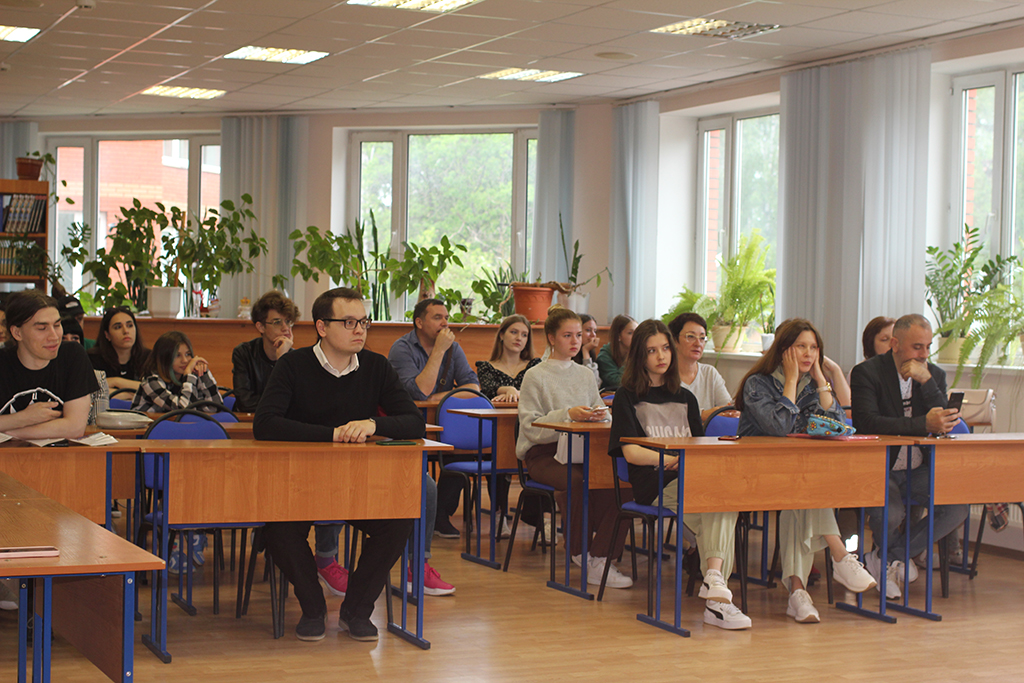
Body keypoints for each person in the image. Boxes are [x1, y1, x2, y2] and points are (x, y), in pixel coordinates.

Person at [253, 287, 425, 642]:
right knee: (278, 528)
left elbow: (414, 422)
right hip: (299, 482)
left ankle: (356, 611)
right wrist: (331, 434)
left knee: (398, 520)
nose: (359, 330)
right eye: (348, 322)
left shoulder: (376, 367)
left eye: (363, 321)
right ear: (322, 327)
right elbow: (265, 423)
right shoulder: (293, 365)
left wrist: (373, 424)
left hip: (358, 483)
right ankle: (313, 607)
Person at [610, 319, 752, 629]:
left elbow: (699, 447)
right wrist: (672, 460)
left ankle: (714, 586)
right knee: (721, 503)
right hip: (655, 484)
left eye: (665, 348)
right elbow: (631, 453)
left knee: (721, 502)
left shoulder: (686, 398)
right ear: (639, 355)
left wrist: (688, 462)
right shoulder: (627, 397)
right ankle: (717, 599)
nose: (661, 356)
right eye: (652, 350)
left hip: (692, 480)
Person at [736, 318, 877, 623]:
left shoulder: (812, 385)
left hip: (796, 478)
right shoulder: (757, 384)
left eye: (814, 348)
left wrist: (822, 379)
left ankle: (798, 592)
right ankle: (839, 555)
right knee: (805, 490)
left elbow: (838, 425)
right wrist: (790, 381)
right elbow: (779, 427)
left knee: (799, 498)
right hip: (753, 475)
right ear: (784, 350)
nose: (809, 353)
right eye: (801, 346)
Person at [850, 313, 968, 599]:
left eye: (928, 347)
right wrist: (921, 424)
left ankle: (888, 558)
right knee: (892, 513)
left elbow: (944, 421)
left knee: (956, 507)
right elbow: (868, 422)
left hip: (917, 468)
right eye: (917, 347)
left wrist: (927, 382)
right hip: (881, 467)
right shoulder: (867, 373)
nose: (924, 354)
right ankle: (890, 562)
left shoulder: (933, 375)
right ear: (895, 344)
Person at [516, 307, 633, 589]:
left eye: (578, 335)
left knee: (622, 485)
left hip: (583, 450)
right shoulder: (535, 375)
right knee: (578, 481)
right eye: (567, 335)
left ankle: (600, 557)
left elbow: (600, 410)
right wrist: (568, 414)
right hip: (544, 453)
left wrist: (600, 415)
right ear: (551, 338)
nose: (575, 341)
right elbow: (530, 426)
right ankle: (580, 553)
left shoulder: (584, 374)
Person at [389, 298, 479, 538]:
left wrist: (440, 396)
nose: (445, 323)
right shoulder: (402, 348)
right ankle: (412, 515)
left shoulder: (454, 348)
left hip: (443, 422)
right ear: (419, 322)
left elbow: (473, 388)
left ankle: (440, 515)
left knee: (463, 448)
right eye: (437, 317)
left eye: (446, 318)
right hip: (409, 423)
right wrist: (439, 350)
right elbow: (418, 392)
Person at [0, 289, 97, 440]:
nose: (54, 336)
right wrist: (23, 418)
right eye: (42, 328)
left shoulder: (72, 355)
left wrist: (9, 433)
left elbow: (75, 427)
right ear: (17, 333)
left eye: (57, 325)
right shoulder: (3, 362)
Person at [231, 291, 299, 413]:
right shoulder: (244, 353)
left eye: (288, 322)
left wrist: (283, 359)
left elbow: (298, 403)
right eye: (277, 322)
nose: (285, 328)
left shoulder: (296, 358)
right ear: (261, 327)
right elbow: (245, 402)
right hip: (249, 421)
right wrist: (280, 403)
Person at [130, 331, 223, 412]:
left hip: (174, 424)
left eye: (188, 354)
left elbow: (216, 407)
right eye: (177, 355)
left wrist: (203, 372)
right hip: (147, 426)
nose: (185, 360)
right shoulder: (151, 381)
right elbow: (183, 409)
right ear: (164, 358)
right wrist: (189, 376)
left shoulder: (191, 374)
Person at [667, 312, 732, 420]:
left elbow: (728, 409)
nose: (698, 344)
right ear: (674, 340)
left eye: (702, 338)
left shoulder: (709, 373)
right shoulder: (663, 375)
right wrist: (703, 415)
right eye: (691, 336)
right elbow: (668, 415)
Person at [476, 314, 541, 403]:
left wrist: (515, 393)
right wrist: (509, 389)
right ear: (501, 335)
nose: (519, 338)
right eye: (514, 332)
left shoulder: (535, 366)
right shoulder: (486, 367)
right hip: (496, 412)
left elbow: (540, 392)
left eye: (524, 335)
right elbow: (489, 389)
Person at [88, 307, 149, 393]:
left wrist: (115, 381)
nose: (126, 331)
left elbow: (152, 388)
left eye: (130, 326)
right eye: (118, 327)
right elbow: (92, 391)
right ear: (107, 335)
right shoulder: (93, 358)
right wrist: (130, 394)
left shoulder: (149, 358)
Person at [596, 314, 636, 390]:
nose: (635, 336)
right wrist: (630, 357)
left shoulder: (640, 352)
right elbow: (618, 382)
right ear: (618, 336)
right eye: (630, 333)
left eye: (637, 332)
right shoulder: (604, 356)